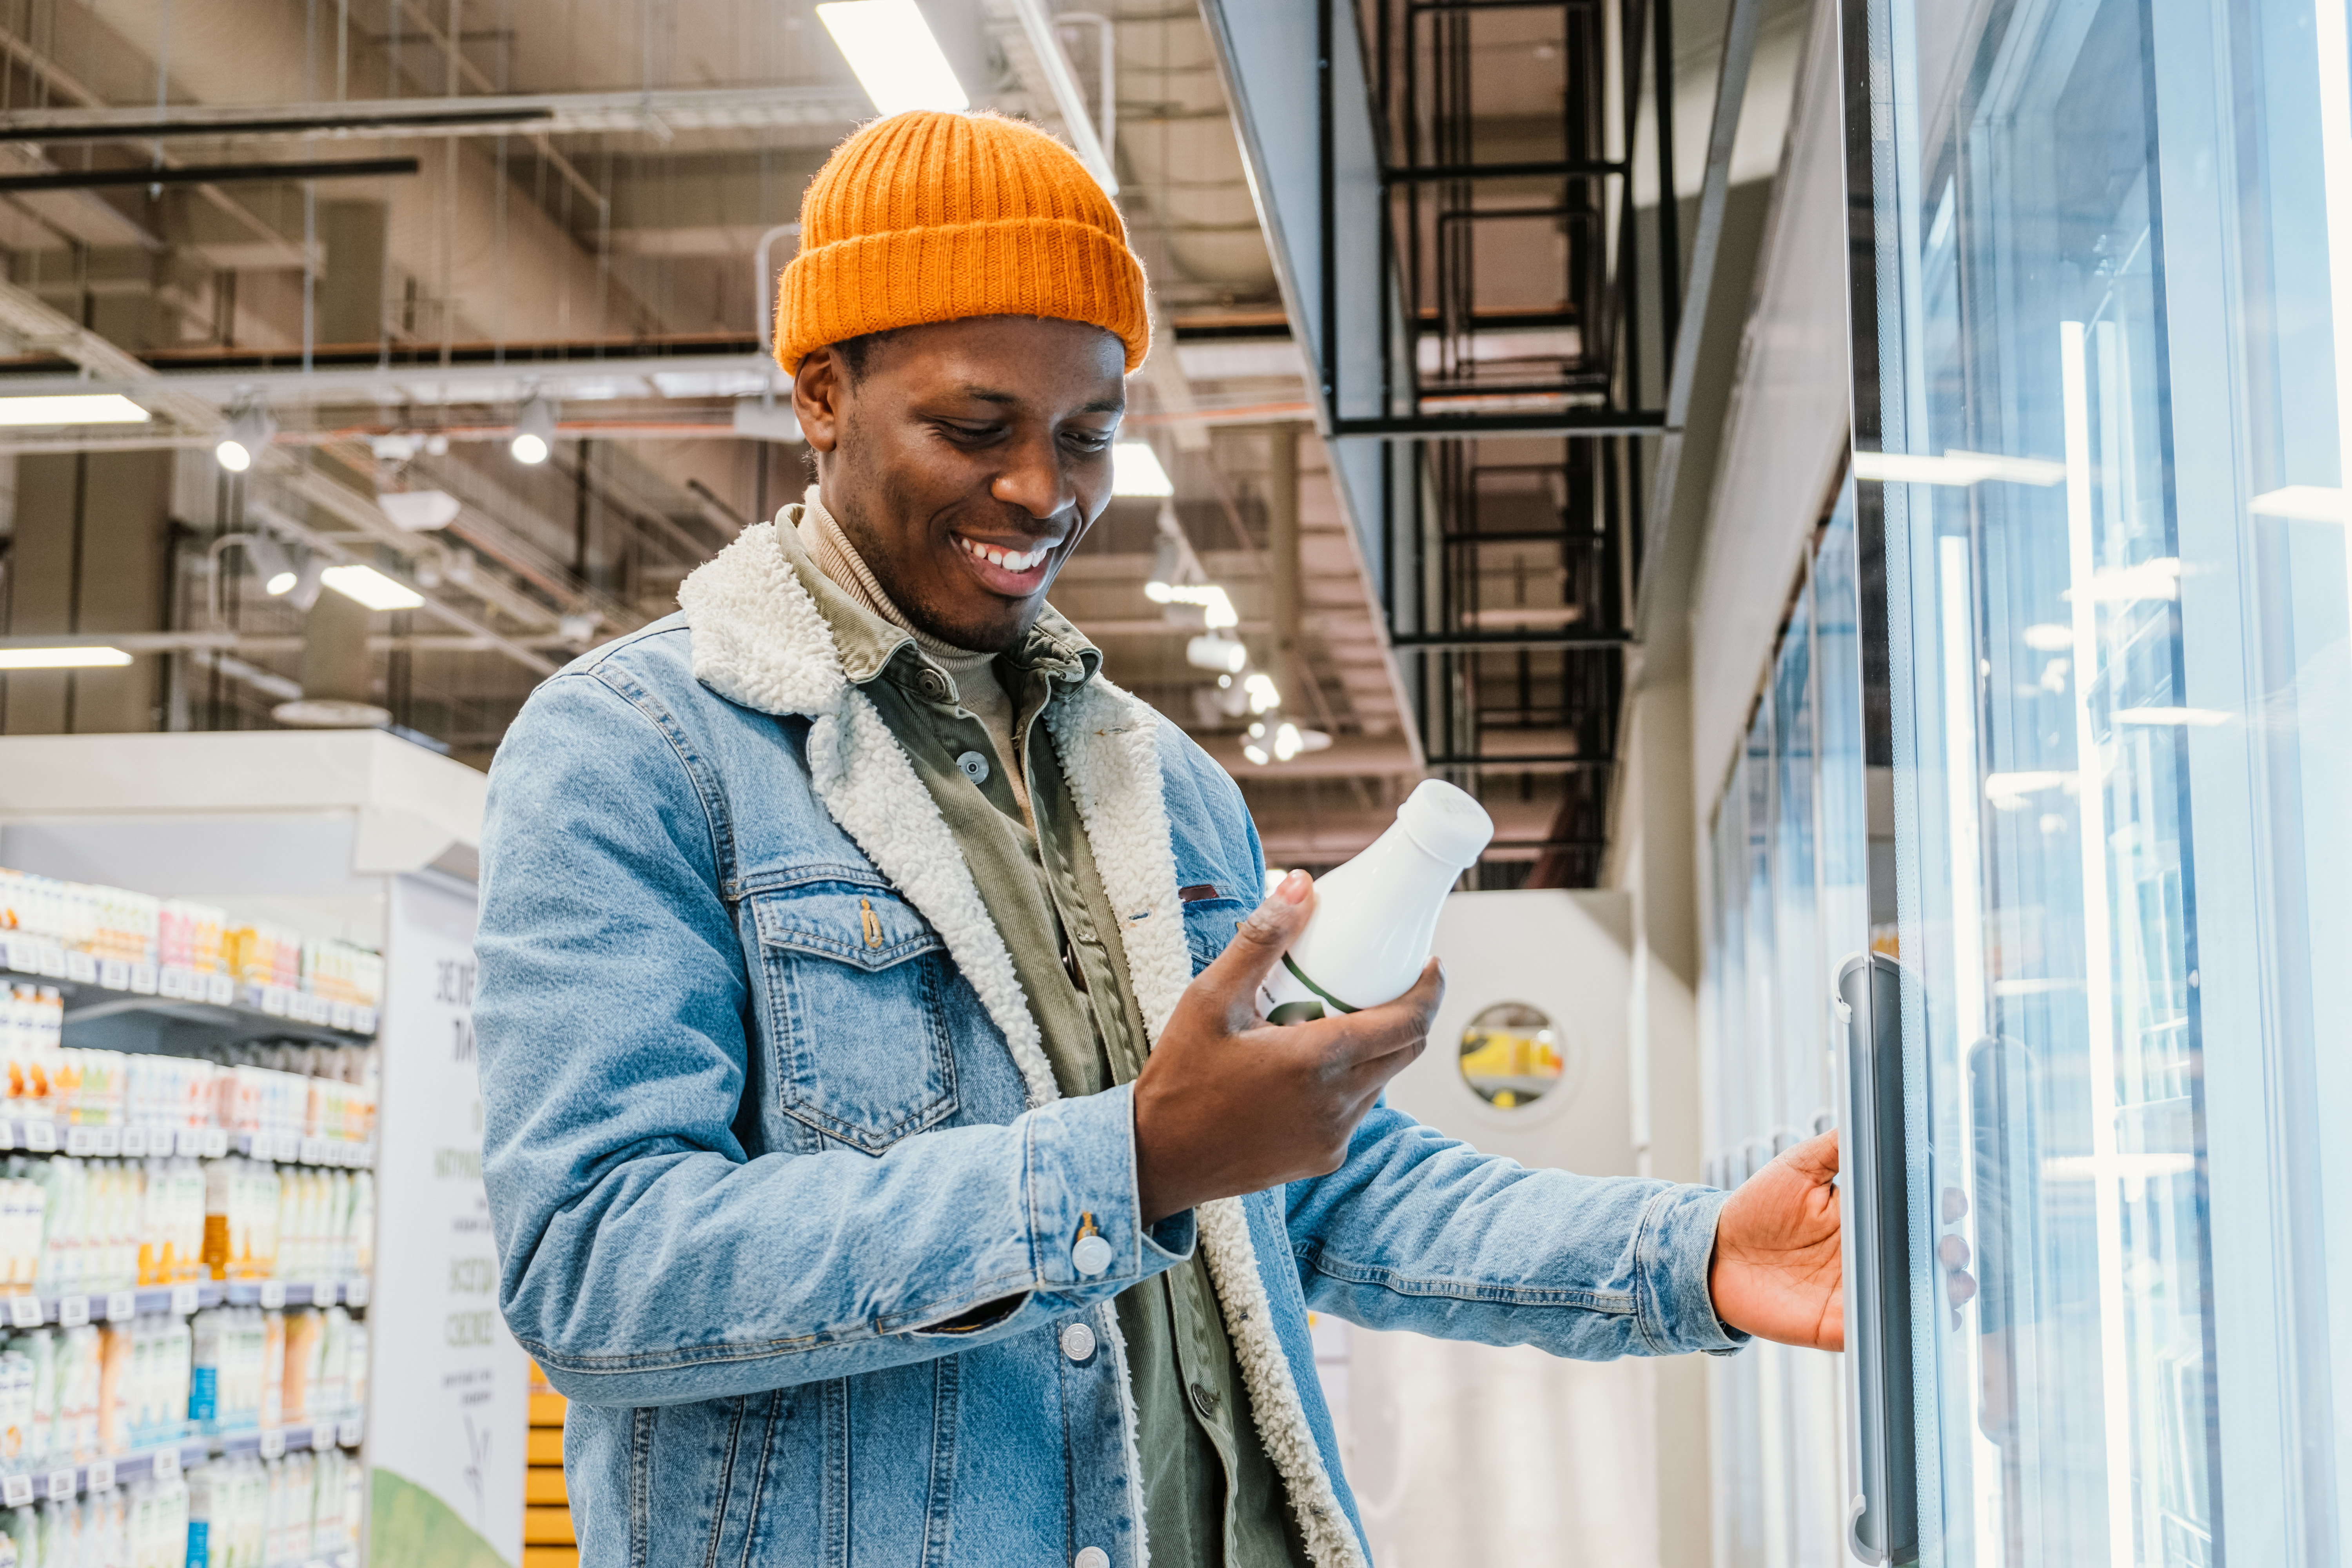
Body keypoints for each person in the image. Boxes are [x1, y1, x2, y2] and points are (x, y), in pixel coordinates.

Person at [474, 109, 1842, 1568]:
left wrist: (1696, 1256)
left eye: (1087, 436)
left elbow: (1312, 1183)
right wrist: (1120, 1166)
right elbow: (596, 1261)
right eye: (974, 427)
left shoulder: (1162, 783)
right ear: (823, 395)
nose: (1043, 492)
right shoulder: (639, 750)